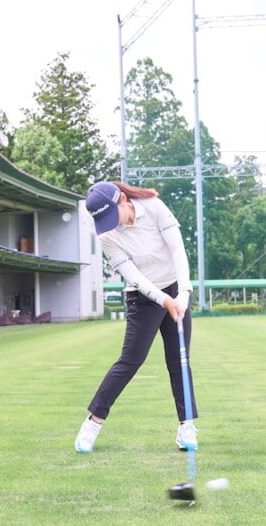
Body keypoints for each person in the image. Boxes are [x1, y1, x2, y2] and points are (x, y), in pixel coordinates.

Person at [75, 181, 197, 454]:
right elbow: (136, 278)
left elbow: (178, 250)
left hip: (177, 288)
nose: (108, 224)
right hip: (143, 298)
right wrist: (165, 301)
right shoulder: (107, 237)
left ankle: (187, 425)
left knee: (180, 361)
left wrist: (184, 293)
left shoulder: (153, 207)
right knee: (130, 361)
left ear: (122, 201)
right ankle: (93, 423)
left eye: (109, 216)